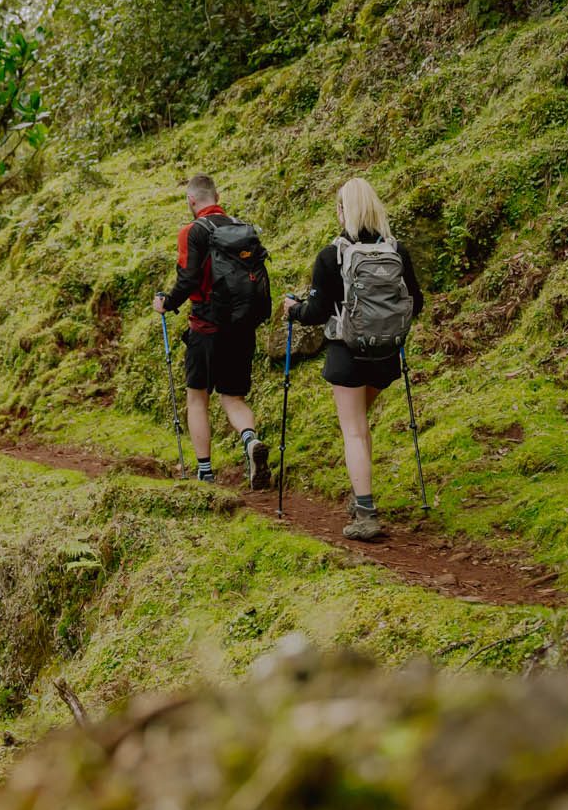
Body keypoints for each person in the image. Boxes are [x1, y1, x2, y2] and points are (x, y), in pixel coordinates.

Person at [282, 177, 426, 541]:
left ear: (343, 210)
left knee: (354, 431)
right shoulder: (397, 251)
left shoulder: (332, 255)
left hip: (347, 355)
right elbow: (417, 303)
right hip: (386, 355)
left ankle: (366, 513)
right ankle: (360, 497)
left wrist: (294, 310)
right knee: (361, 428)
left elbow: (315, 312)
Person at [152, 174, 271, 488]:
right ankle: (250, 441)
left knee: (197, 399)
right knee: (233, 397)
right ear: (216, 196)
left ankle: (205, 472)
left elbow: (189, 279)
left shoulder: (191, 231)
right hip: (242, 326)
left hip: (206, 327)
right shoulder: (241, 229)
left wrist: (167, 302)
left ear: (191, 200)